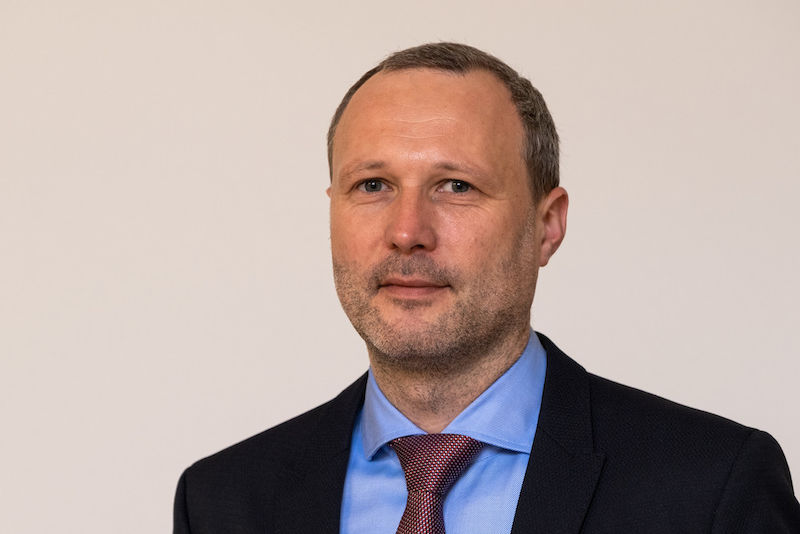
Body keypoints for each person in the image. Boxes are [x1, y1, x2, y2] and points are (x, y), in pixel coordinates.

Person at [173, 42, 800, 533]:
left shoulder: (712, 488)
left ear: (547, 226)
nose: (407, 232)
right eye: (373, 185)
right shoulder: (223, 502)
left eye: (457, 186)